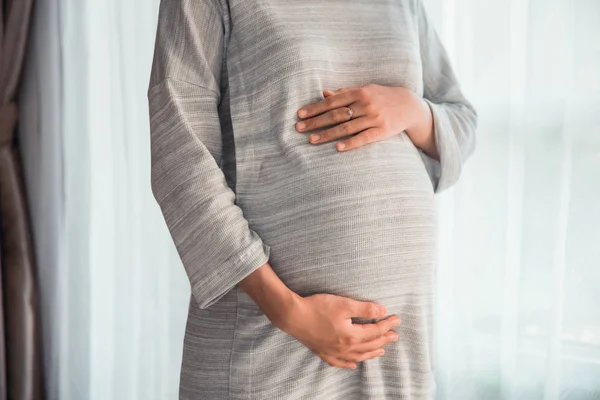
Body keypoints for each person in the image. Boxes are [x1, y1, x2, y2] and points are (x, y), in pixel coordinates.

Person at [146, 0, 477, 398]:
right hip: (270, 335)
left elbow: (462, 122)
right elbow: (179, 154)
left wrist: (413, 110)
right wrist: (290, 312)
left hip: (396, 341)